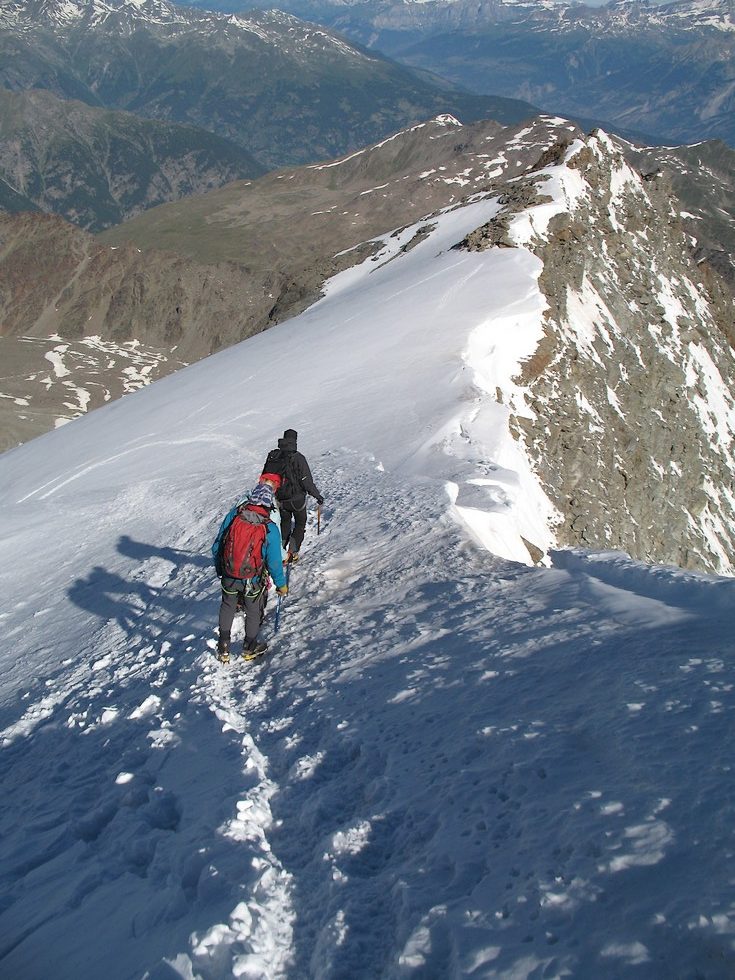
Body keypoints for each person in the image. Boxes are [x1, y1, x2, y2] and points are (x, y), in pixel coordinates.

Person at [217, 473, 288, 663]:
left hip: (229, 573)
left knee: (227, 606)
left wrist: (220, 569)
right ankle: (249, 647)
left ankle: (223, 647)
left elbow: (218, 544)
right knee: (253, 611)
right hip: (252, 579)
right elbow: (274, 562)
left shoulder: (234, 516)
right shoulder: (269, 527)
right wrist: (281, 585)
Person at [262, 428, 323, 563]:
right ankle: (292, 552)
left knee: (285, 524)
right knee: (300, 523)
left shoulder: (274, 456)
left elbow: (265, 477)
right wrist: (318, 496)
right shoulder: (299, 458)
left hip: (281, 499)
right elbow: (307, 482)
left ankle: (279, 553)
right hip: (297, 500)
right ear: (295, 440)